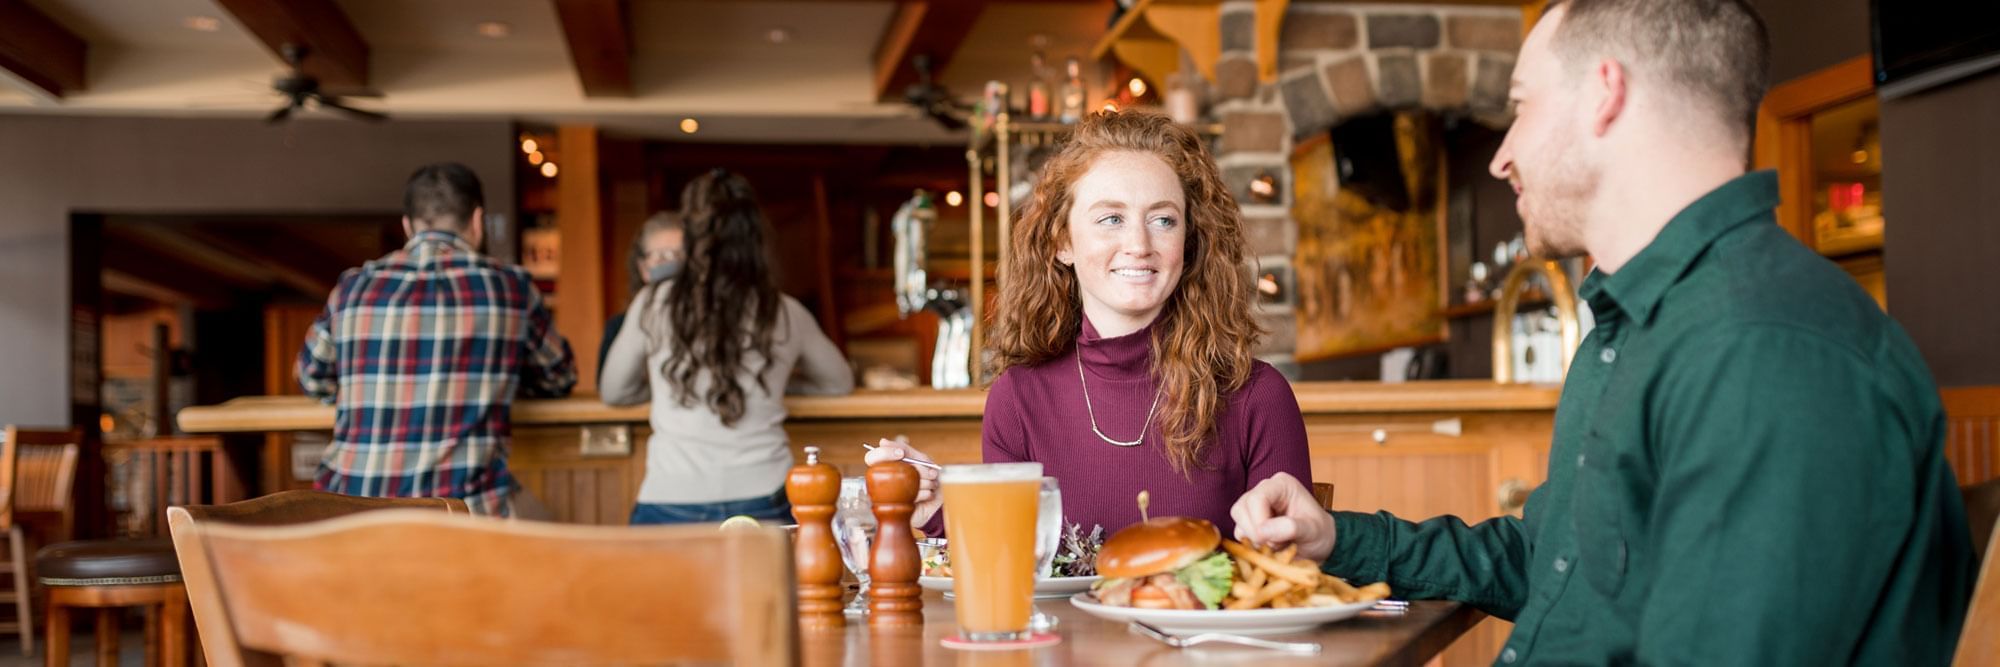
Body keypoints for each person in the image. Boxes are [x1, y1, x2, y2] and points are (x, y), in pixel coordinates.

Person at [1230, 1, 1975, 664]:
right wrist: (1337, 537)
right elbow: (1551, 560)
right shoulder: (1643, 324)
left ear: (1604, 94)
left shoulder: (1766, 351)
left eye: (1520, 106)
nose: (1501, 153)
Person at [869, 111, 1312, 538]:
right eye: (1111, 219)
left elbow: (1289, 573)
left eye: (1163, 220)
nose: (1139, 245)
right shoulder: (1019, 398)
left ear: (1189, 242)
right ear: (1063, 241)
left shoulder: (1257, 396)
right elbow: (1014, 551)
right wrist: (935, 511)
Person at [298, 162, 577, 517]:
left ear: (407, 226)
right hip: (461, 514)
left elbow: (311, 378)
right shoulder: (510, 287)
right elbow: (559, 376)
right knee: (551, 532)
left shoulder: (352, 286)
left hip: (352, 510)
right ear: (477, 221)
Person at [601, 169, 854, 525]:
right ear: (756, 239)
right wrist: (778, 385)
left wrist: (664, 383)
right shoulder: (783, 311)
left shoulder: (654, 302)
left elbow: (614, 390)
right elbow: (837, 382)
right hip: (763, 496)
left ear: (690, 236)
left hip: (671, 496)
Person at [597, 212, 685, 385]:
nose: (672, 269)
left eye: (679, 257)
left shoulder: (709, 328)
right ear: (643, 268)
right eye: (661, 258)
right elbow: (610, 391)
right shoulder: (618, 328)